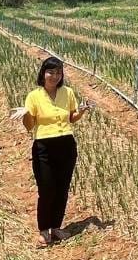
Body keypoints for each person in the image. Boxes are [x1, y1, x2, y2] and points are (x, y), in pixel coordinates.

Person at [14, 56, 89, 247]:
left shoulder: (68, 92)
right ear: (43, 73)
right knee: (46, 189)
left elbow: (71, 118)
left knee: (62, 189)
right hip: (44, 147)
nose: (54, 76)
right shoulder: (34, 96)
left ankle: (56, 227)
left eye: (58, 72)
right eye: (51, 72)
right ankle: (43, 230)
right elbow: (30, 126)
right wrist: (26, 114)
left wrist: (81, 111)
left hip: (66, 145)